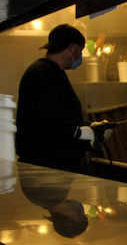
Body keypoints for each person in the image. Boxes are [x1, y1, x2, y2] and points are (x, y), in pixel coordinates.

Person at [16, 24, 112, 172]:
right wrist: (79, 132)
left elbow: (62, 115)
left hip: (58, 165)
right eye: (80, 51)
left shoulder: (53, 72)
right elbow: (45, 117)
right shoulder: (40, 73)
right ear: (72, 48)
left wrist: (89, 126)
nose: (80, 56)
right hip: (45, 168)